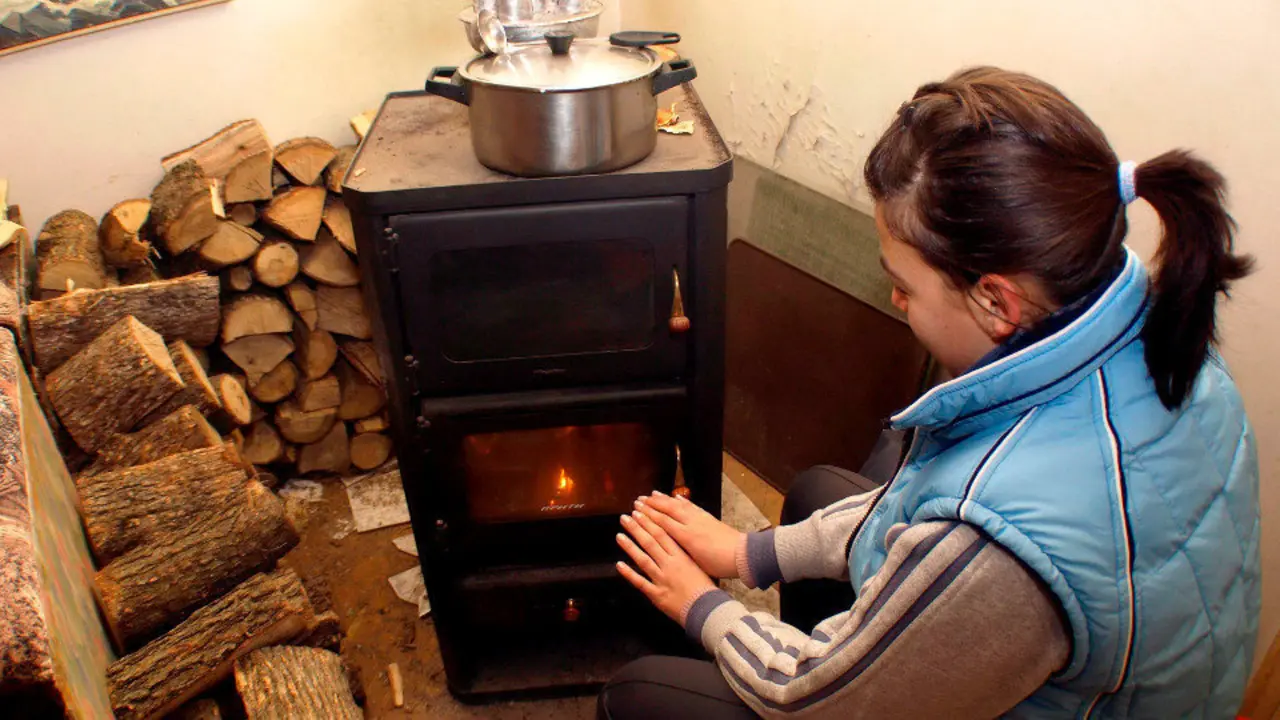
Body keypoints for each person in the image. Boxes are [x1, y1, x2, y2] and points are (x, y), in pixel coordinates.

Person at [597, 66, 1260, 719]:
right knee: (817, 494)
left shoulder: (1000, 555)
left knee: (638, 697)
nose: (893, 299)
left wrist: (701, 603)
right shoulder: (1157, 331)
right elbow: (919, 502)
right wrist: (749, 553)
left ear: (996, 301)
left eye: (904, 286)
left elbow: (806, 696)